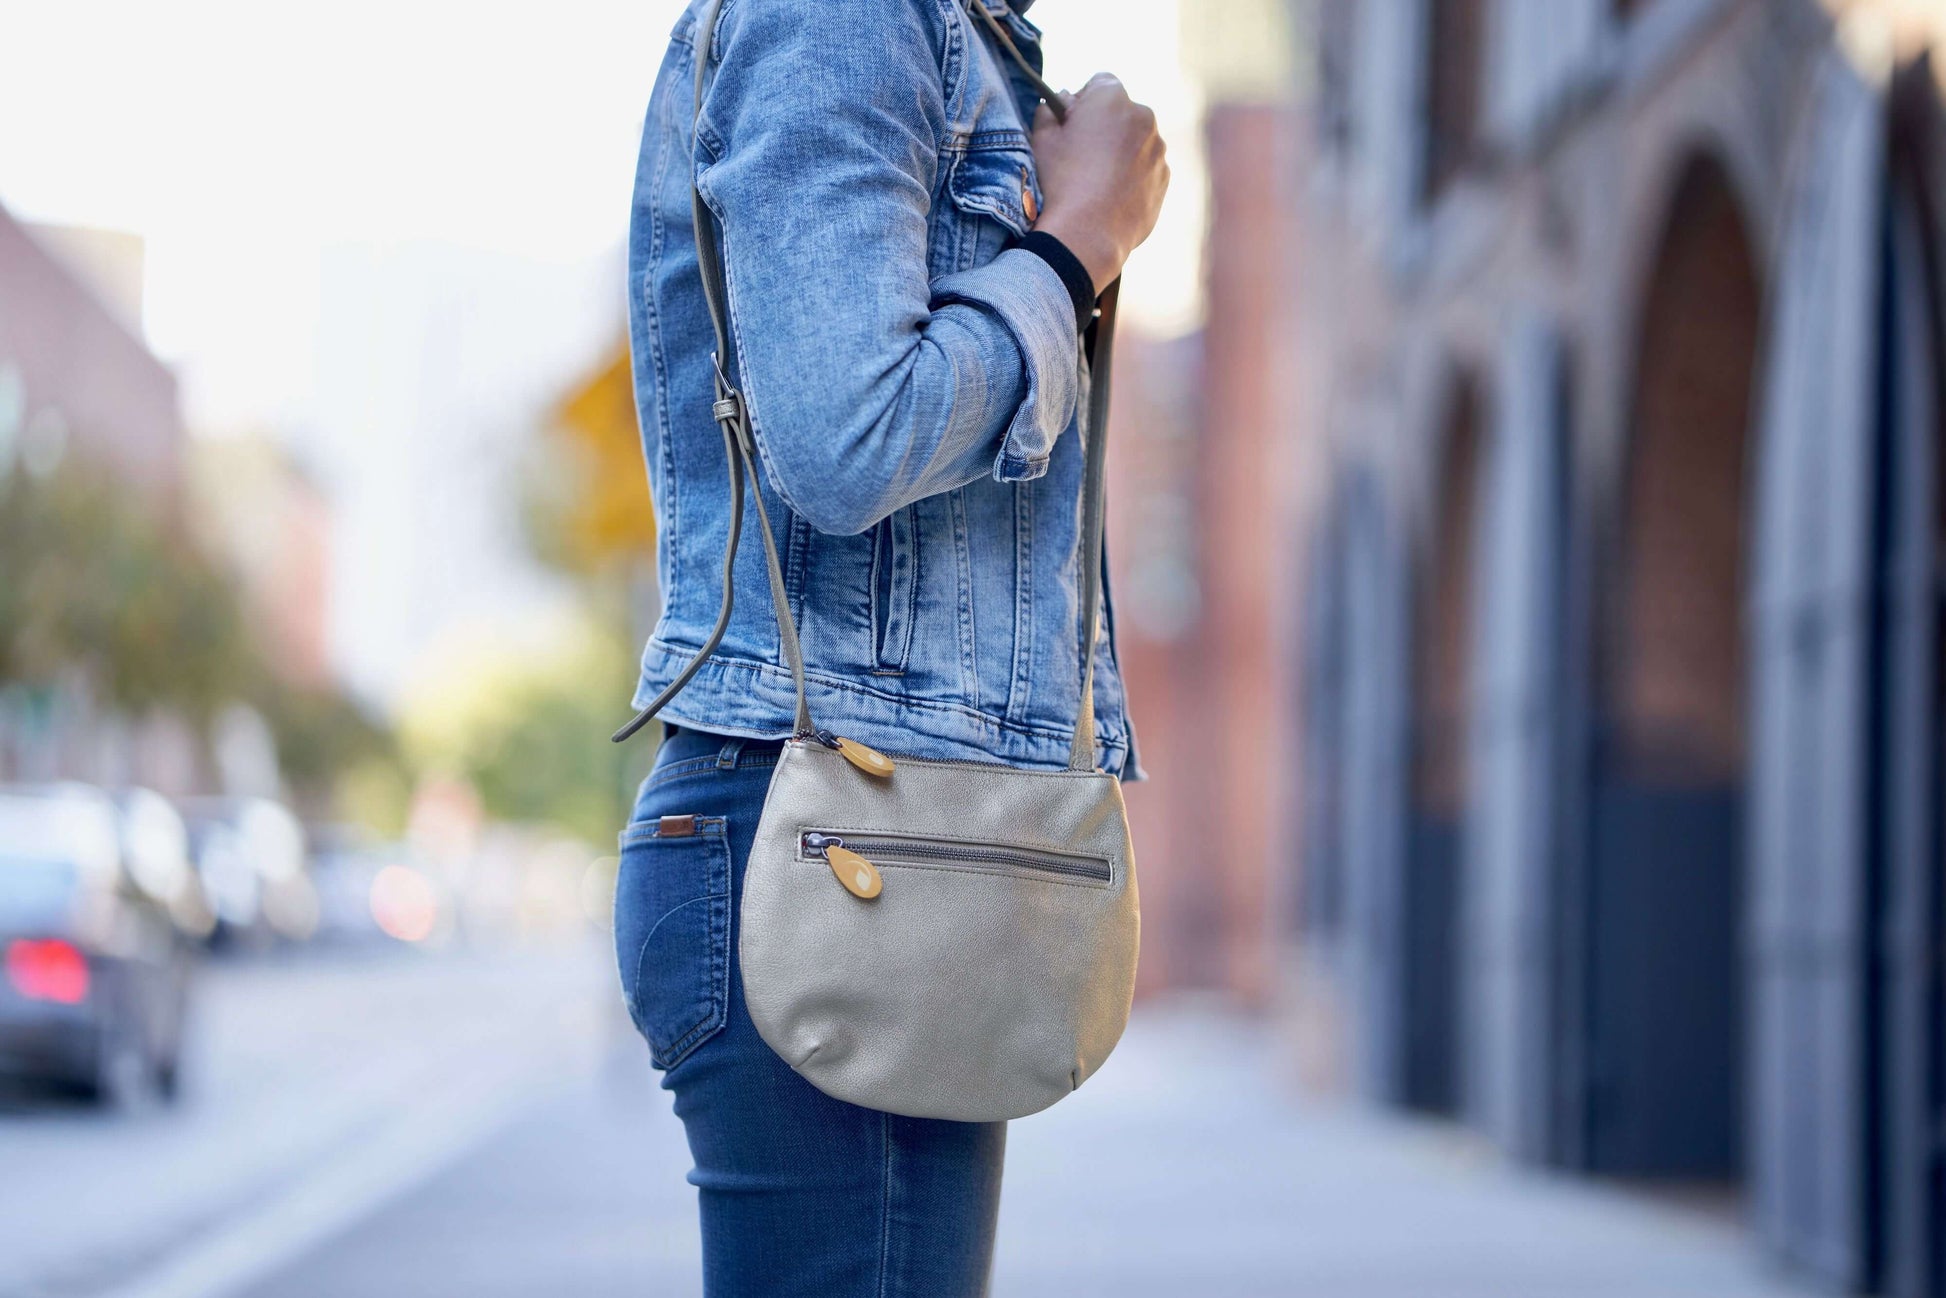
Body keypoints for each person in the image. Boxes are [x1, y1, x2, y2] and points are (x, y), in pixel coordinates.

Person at [611, 1, 1168, 1293]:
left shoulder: (963, 35)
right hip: (827, 832)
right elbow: (845, 437)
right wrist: (1081, 239)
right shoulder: (843, 17)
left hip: (893, 836)